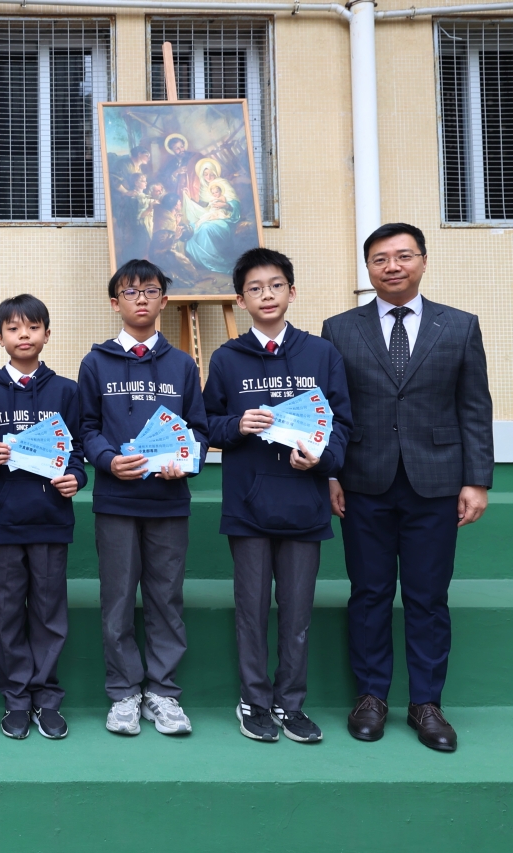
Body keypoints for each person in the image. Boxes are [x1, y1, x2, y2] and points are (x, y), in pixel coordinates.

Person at [322, 222, 493, 752]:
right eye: (380, 259)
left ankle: (426, 704)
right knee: (369, 593)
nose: (391, 266)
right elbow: (330, 409)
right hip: (363, 481)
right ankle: (371, 697)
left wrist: (477, 480)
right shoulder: (339, 329)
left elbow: (474, 407)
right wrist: (331, 473)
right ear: (368, 268)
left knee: (427, 597)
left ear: (422, 260)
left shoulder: (459, 326)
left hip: (437, 482)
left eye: (403, 256)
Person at [203, 248, 352, 744]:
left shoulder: (321, 354)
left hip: (305, 505)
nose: (266, 295)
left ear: (292, 291)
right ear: (240, 300)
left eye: (275, 285)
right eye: (255, 288)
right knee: (251, 611)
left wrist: (322, 461)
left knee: (297, 612)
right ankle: (253, 700)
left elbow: (342, 425)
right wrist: (236, 424)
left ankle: (291, 704)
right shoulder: (227, 358)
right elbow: (206, 425)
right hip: (247, 506)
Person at [77, 258, 208, 738]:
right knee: (116, 601)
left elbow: (198, 428)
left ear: (163, 301)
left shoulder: (182, 365)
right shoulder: (95, 363)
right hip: (116, 501)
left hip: (168, 501)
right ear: (115, 303)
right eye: (130, 292)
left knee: (166, 599)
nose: (141, 300)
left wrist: (187, 460)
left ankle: (164, 693)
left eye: (150, 291)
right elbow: (86, 428)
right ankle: (124, 693)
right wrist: (108, 460)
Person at [0, 294, 85, 741]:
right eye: (13, 329)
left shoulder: (67, 392)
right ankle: (16, 699)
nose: (24, 335)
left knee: (50, 615)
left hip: (51, 521)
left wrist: (76, 478)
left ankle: (47, 699)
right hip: (3, 523)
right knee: (10, 613)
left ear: (47, 334)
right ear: (0, 338)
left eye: (33, 327)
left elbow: (77, 452)